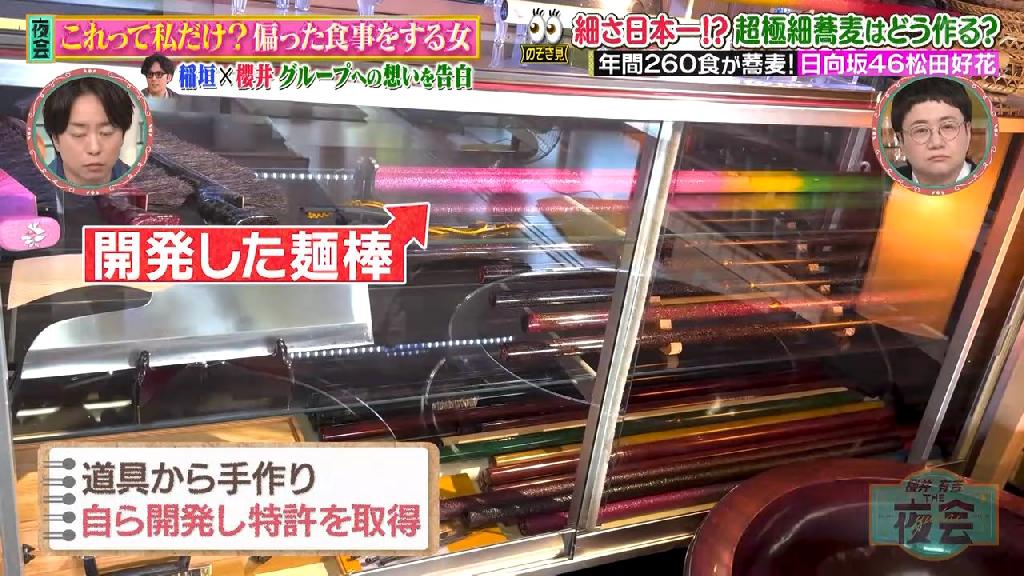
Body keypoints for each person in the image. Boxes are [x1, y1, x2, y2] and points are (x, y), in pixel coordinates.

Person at [42, 76, 133, 187]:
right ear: (56, 140)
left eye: (106, 132)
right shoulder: (35, 190)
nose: (94, 149)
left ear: (122, 136)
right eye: (78, 134)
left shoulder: (141, 186)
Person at [891, 77, 977, 188]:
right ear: (900, 140)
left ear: (968, 132)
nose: (936, 143)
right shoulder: (886, 188)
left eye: (947, 126)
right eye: (921, 130)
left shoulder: (994, 184)